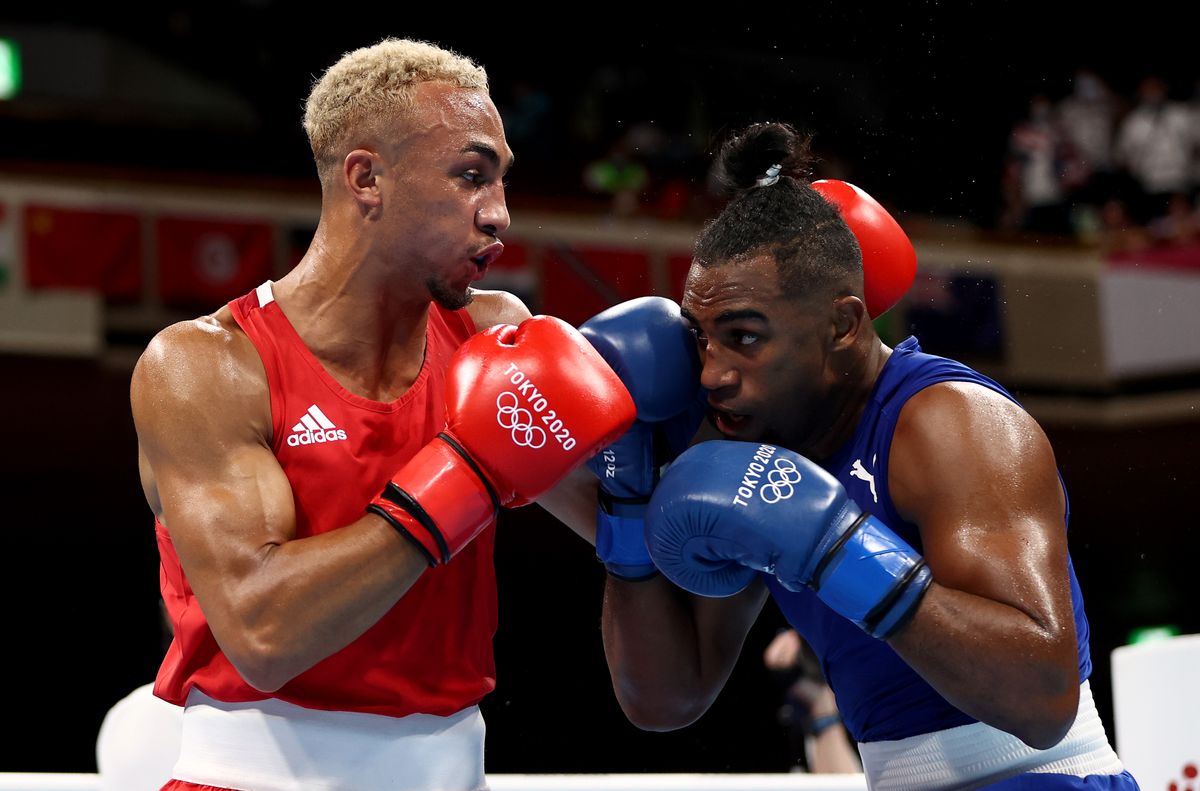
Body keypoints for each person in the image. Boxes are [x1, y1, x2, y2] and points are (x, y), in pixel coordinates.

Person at [130, 38, 633, 791]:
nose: (498, 215)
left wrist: (675, 444)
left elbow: (621, 527)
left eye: (500, 181)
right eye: (471, 176)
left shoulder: (486, 338)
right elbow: (264, 631)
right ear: (367, 178)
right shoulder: (206, 366)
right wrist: (466, 472)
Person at [582, 123, 1139, 789]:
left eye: (744, 338)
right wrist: (626, 498)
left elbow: (1043, 700)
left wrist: (839, 552)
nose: (711, 373)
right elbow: (666, 698)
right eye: (703, 338)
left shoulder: (948, 422)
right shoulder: (761, 450)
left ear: (844, 325)